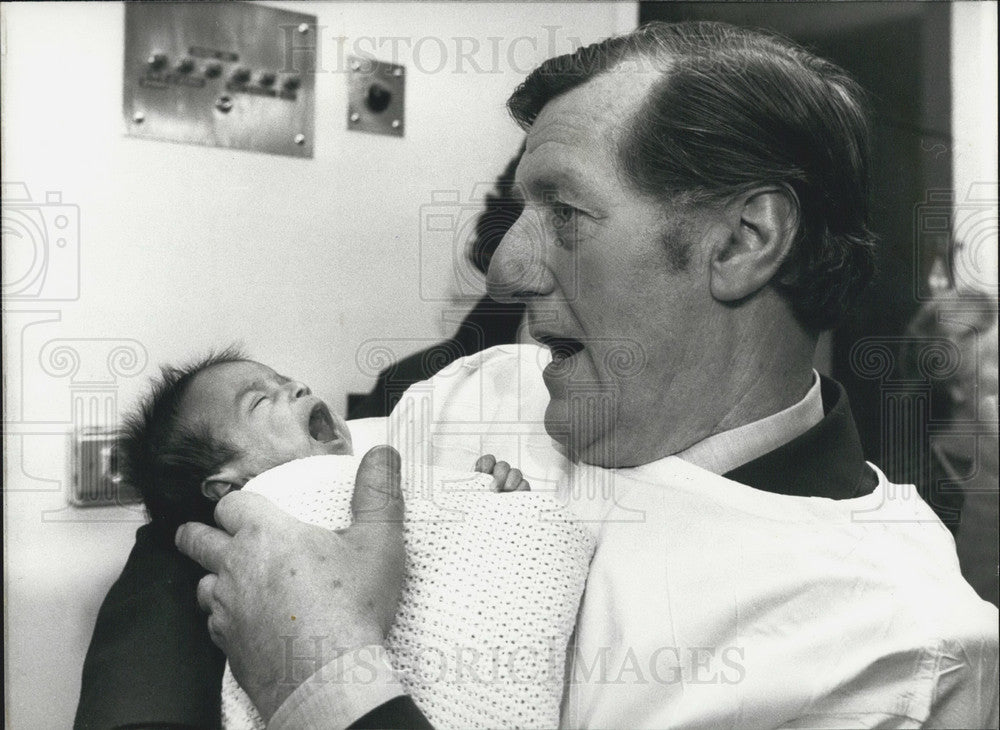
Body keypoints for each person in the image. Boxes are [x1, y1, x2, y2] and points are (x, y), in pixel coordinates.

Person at [90, 20, 1000, 729]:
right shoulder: (482, 392)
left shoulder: (890, 645)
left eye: (564, 211)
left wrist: (322, 679)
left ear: (743, 240)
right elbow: (212, 524)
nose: (506, 270)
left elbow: (290, 612)